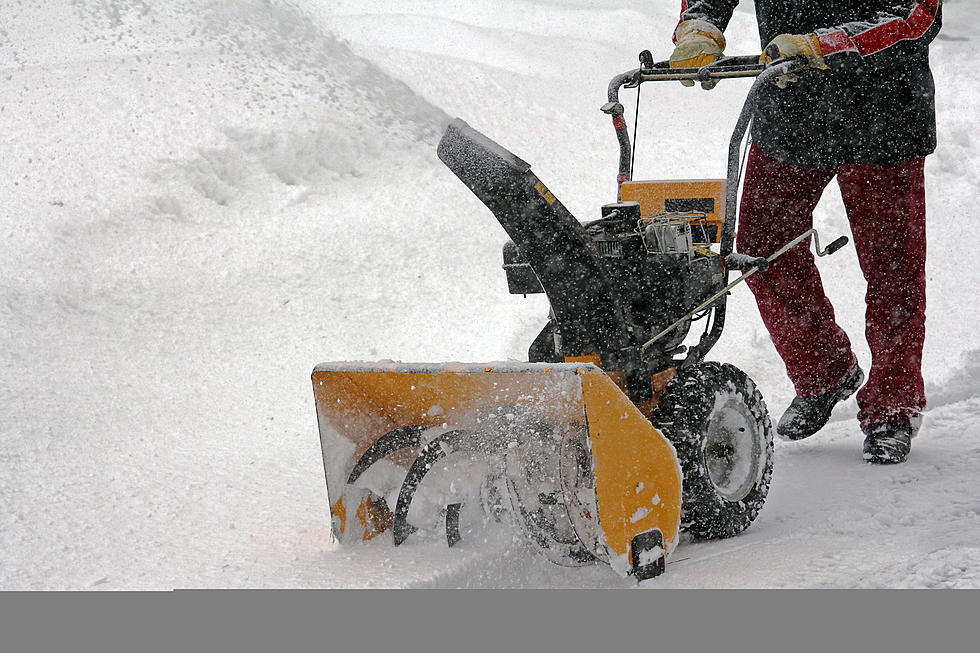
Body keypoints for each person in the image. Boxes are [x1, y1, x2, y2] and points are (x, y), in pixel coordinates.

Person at [669, 1, 942, 464]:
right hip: (793, 107)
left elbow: (918, 15)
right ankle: (825, 371)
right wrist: (701, 22)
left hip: (885, 109)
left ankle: (892, 406)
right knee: (760, 249)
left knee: (892, 266)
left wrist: (824, 45)